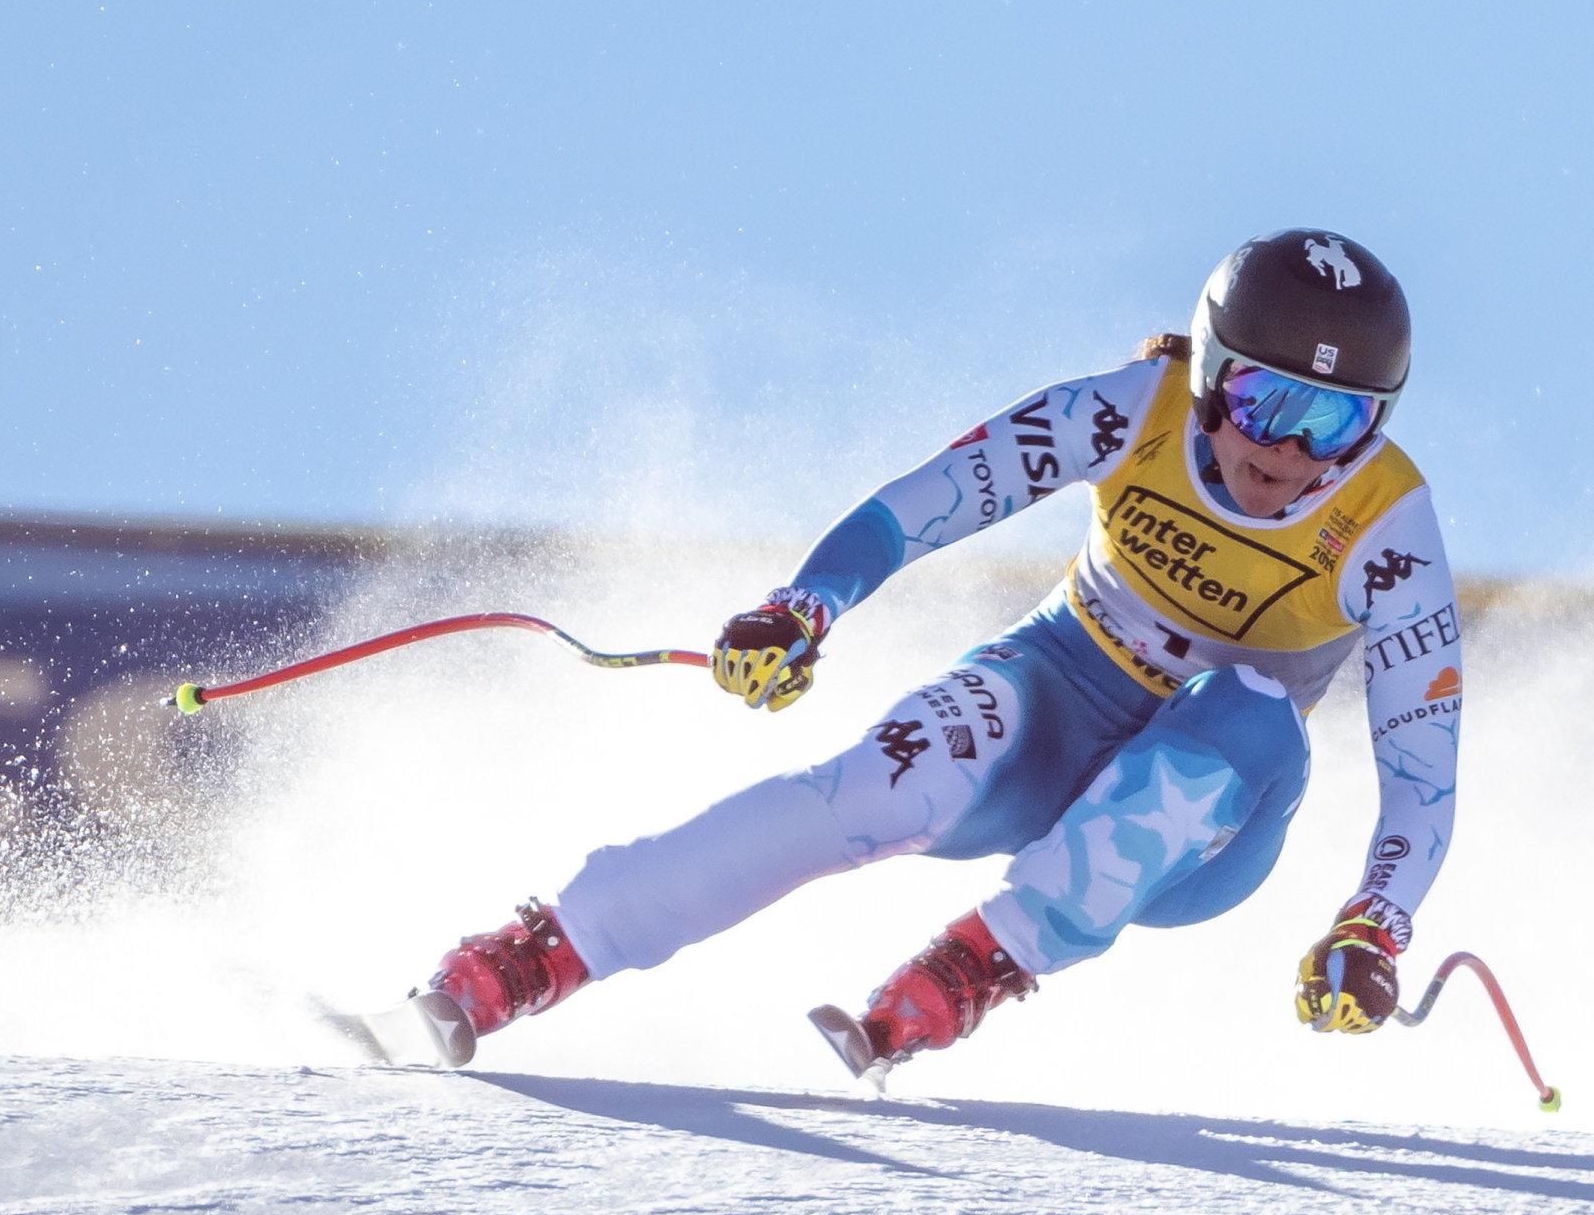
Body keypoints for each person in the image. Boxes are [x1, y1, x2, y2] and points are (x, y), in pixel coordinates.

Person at [392, 230, 1463, 1084]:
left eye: (1336, 421)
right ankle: (544, 949)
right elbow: (930, 502)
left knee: (1245, 699)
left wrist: (1374, 925)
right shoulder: (1131, 409)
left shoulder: (1387, 526)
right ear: (1210, 374)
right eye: (1266, 402)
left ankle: (979, 961)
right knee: (865, 786)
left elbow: (1422, 772)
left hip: (1211, 818)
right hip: (1057, 695)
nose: (1288, 453)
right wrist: (803, 606)